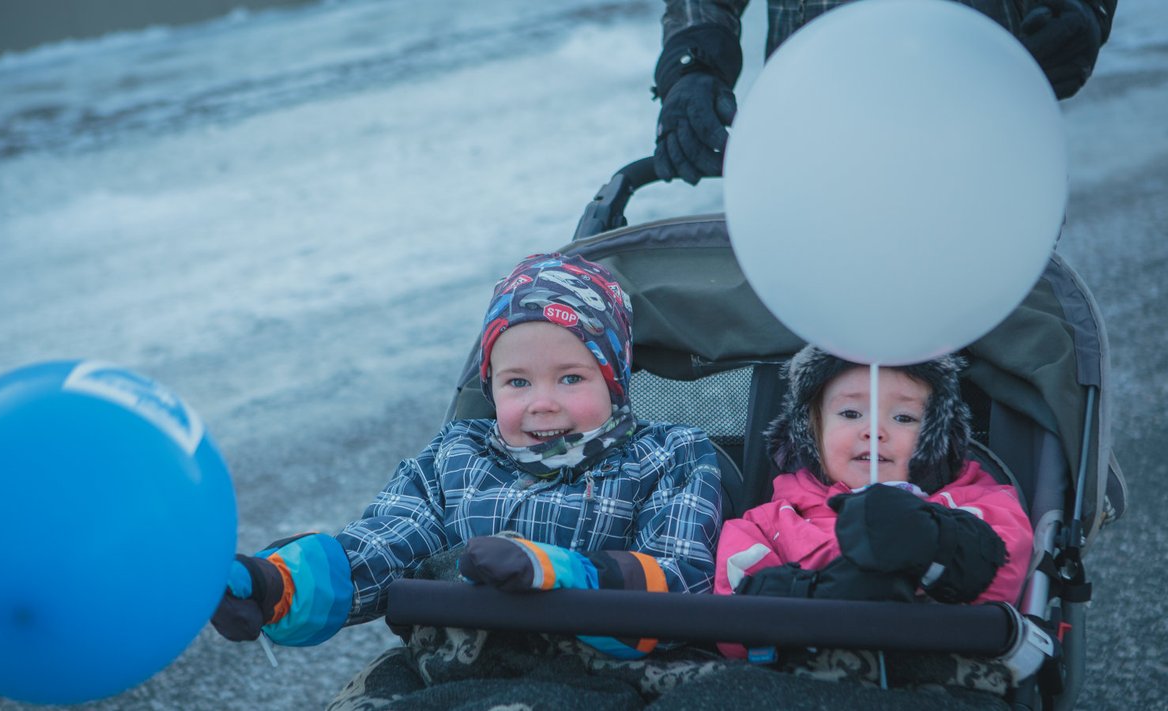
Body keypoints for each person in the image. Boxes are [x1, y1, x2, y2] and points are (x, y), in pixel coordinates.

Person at [209, 253, 724, 666]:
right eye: (518, 382)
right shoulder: (459, 456)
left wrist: (564, 575)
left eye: (571, 377)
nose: (542, 402)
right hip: (462, 662)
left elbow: (681, 574)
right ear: (492, 387)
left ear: (614, 381)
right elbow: (387, 542)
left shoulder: (669, 456)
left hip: (613, 668)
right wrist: (278, 583)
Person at [713, 346, 1034, 664]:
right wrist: (819, 591)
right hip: (806, 676)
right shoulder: (770, 522)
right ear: (812, 430)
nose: (875, 432)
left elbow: (1004, 571)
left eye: (903, 417)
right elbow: (732, 623)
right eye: (851, 413)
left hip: (939, 672)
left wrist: (930, 539)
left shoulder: (979, 502)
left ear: (937, 434)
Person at [652, 0, 1118, 184]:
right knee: (825, 368)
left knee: (982, 355)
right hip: (815, 136)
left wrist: (1082, 12)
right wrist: (694, 59)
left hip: (981, 129)